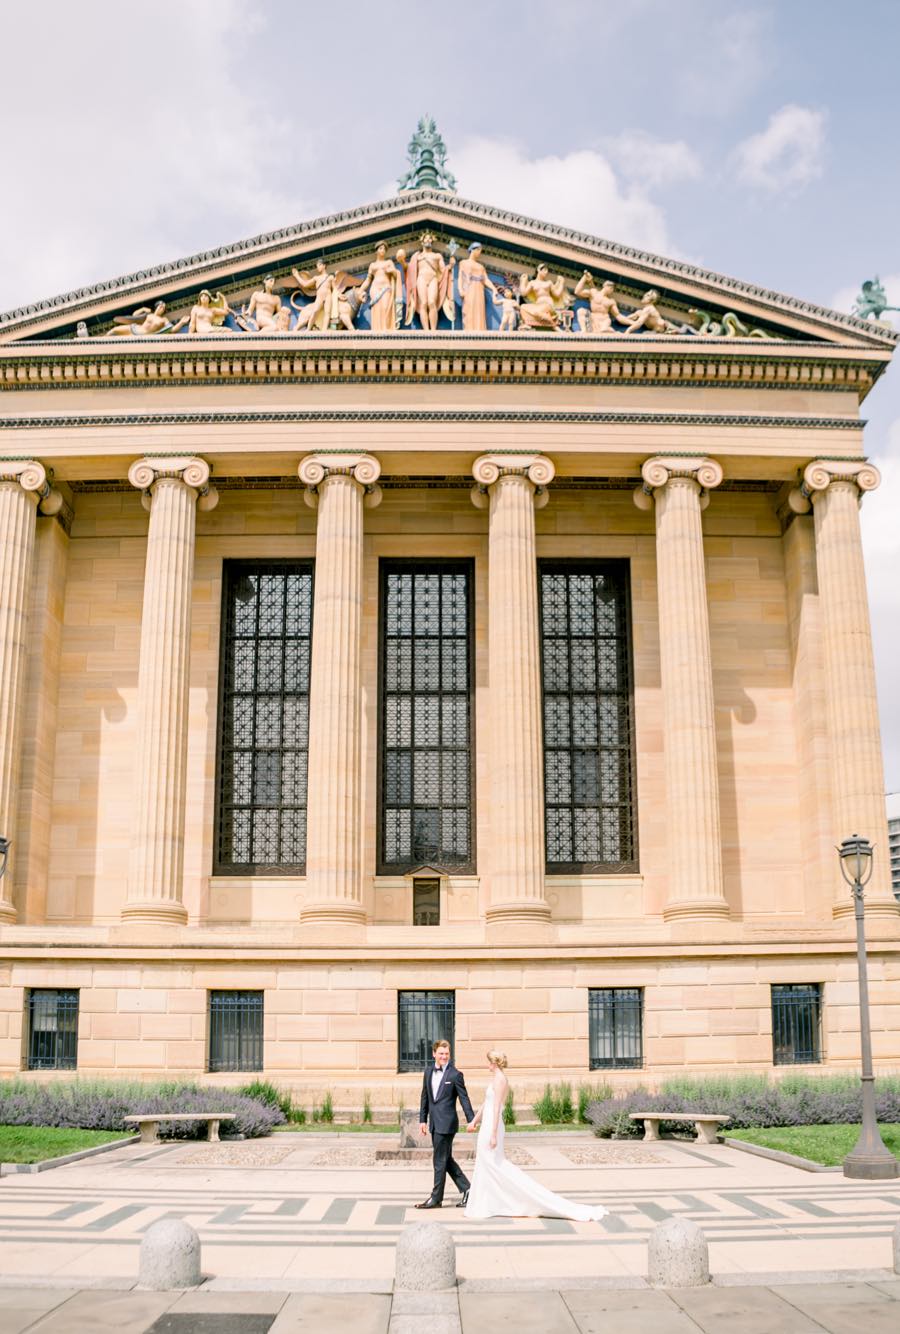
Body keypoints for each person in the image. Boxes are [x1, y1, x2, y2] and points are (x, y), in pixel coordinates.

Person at [465, 1050, 608, 1222]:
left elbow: (496, 1107)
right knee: (486, 1164)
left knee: (496, 1164)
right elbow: (486, 1103)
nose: (487, 1064)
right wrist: (474, 1121)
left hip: (492, 1126)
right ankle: (486, 1203)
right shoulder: (495, 1078)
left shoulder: (501, 1079)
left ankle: (505, 1200)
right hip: (487, 1125)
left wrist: (493, 1133)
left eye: (489, 1061)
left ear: (494, 1063)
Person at [415, 1038, 475, 1209]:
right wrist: (422, 1120)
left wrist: (471, 1119)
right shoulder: (428, 1072)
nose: (444, 1056)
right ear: (434, 1054)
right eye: (441, 1053)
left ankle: (436, 1198)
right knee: (445, 1159)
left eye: (447, 1054)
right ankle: (468, 1189)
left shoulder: (455, 1075)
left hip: (447, 1124)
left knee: (439, 1161)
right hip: (434, 1123)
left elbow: (464, 1098)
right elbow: (424, 1097)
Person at [458, 242, 498, 331]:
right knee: (469, 309)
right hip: (469, 289)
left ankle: (479, 330)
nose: (479, 252)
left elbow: (486, 280)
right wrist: (460, 289)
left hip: (479, 290)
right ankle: (469, 329)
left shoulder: (481, 267)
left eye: (480, 250)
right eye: (478, 250)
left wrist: (493, 288)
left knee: (479, 311)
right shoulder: (463, 263)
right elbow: (460, 277)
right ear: (473, 250)